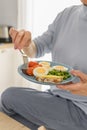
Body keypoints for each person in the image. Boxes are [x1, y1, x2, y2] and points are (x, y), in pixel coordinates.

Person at [1, 0, 87, 129]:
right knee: (8, 101)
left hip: (82, 110)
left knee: (9, 98)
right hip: (56, 98)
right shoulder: (66, 15)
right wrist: (26, 44)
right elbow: (37, 48)